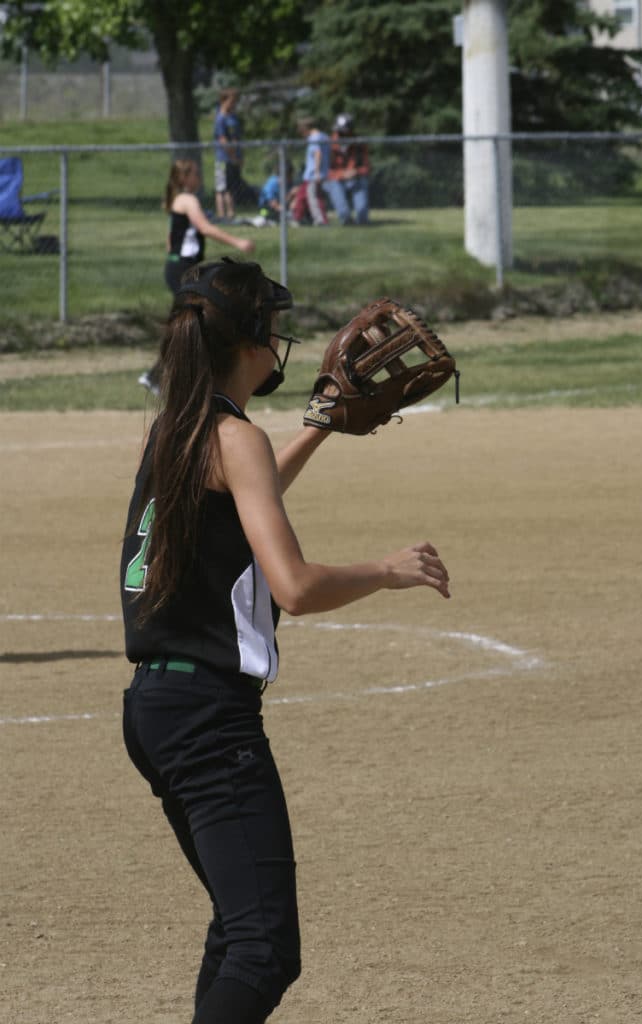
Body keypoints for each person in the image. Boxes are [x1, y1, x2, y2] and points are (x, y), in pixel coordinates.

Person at [120, 256, 451, 1024]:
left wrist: (317, 427)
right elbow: (294, 588)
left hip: (157, 708)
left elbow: (245, 491)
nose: (281, 341)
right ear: (251, 343)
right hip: (208, 717)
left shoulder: (176, 427)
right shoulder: (232, 438)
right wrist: (386, 570)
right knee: (264, 946)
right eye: (272, 327)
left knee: (239, 928)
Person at [138, 159, 255, 395]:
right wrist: (238, 242)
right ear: (184, 178)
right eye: (195, 173)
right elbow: (205, 228)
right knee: (188, 323)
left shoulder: (180, 200)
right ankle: (159, 377)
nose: (199, 177)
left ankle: (158, 377)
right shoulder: (187, 200)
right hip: (181, 269)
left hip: (181, 267)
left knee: (187, 323)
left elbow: (171, 239)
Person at [324, 112, 371, 226]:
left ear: (351, 130)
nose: (340, 133)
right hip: (335, 179)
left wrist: (356, 171)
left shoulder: (359, 143)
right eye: (338, 131)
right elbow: (326, 170)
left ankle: (362, 219)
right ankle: (346, 219)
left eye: (343, 131)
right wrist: (342, 174)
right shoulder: (330, 143)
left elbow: (367, 167)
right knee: (334, 185)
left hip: (355, 178)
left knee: (362, 212)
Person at [290, 117, 330, 227]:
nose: (302, 135)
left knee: (314, 198)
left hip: (313, 174)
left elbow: (317, 153)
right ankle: (297, 218)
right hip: (312, 174)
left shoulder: (314, 138)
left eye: (302, 131)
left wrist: (317, 172)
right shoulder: (324, 136)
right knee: (302, 195)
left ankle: (321, 220)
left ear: (306, 129)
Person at [213, 88, 244, 222]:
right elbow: (223, 140)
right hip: (223, 159)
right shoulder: (220, 118)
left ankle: (231, 214)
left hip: (234, 158)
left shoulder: (233, 118)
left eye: (235, 101)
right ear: (223, 101)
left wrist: (240, 156)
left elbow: (237, 138)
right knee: (221, 188)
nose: (234, 104)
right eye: (231, 101)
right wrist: (232, 156)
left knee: (231, 187)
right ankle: (221, 215)